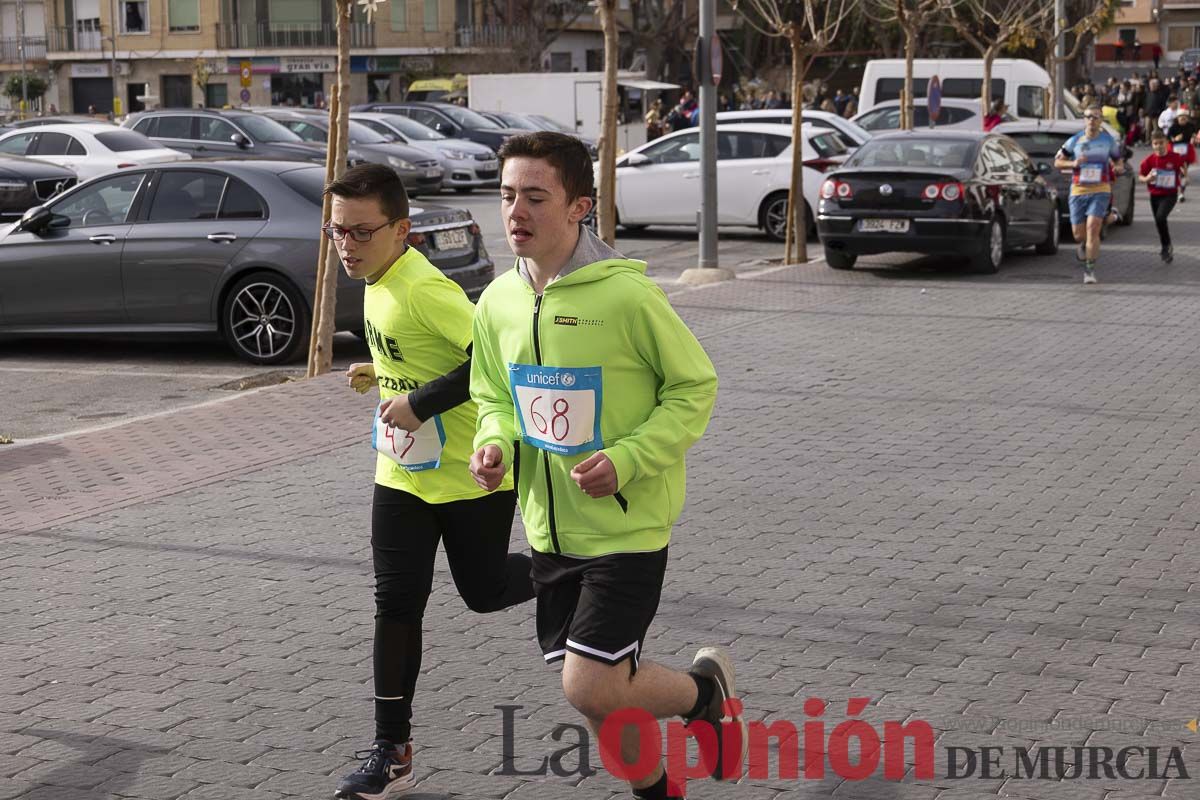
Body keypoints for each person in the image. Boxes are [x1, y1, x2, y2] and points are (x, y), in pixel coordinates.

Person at [468, 131, 744, 800]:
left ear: (579, 207)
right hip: (548, 534)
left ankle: (704, 695)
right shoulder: (497, 302)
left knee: (587, 682)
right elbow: (493, 395)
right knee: (600, 698)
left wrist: (627, 460)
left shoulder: (627, 298)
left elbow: (693, 386)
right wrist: (496, 441)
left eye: (536, 197)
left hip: (627, 529)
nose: (516, 212)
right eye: (507, 196)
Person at [327, 164, 535, 800]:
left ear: (401, 230)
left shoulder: (424, 287)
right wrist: (382, 371)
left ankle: (574, 565)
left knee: (484, 590)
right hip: (402, 474)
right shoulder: (374, 278)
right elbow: (415, 352)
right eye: (338, 232)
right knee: (396, 605)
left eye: (362, 233)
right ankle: (392, 748)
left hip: (473, 472)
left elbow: (493, 355)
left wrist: (422, 400)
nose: (347, 246)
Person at [1054, 108, 1125, 285]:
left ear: (1101, 120)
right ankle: (1088, 240)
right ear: (1084, 120)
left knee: (1093, 228)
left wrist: (1119, 167)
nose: (1092, 120)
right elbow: (1057, 161)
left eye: (1096, 117)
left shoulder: (1108, 140)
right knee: (1078, 234)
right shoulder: (1075, 140)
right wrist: (1073, 163)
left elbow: (1118, 160)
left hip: (1101, 189)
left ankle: (1089, 270)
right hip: (1078, 190)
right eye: (1088, 117)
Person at [1140, 129, 1185, 262]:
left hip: (1170, 194)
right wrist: (1147, 178)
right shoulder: (1148, 160)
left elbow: (1182, 167)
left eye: (1161, 143)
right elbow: (1141, 177)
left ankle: (1166, 246)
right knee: (1159, 222)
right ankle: (1166, 245)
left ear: (1166, 143)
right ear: (1152, 145)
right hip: (1155, 195)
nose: (1159, 146)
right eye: (1155, 143)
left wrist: (1184, 176)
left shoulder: (1175, 157)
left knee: (1160, 217)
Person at [1167, 106, 1198, 201]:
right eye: (1181, 117)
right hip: (1174, 150)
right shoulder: (1173, 127)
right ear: (1178, 118)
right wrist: (1174, 139)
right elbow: (1168, 138)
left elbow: (1196, 134)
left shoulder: (1191, 125)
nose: (1183, 119)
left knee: (1183, 172)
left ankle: (1181, 193)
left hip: (1186, 151)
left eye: (1185, 117)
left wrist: (1195, 138)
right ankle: (1175, 191)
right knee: (1177, 172)